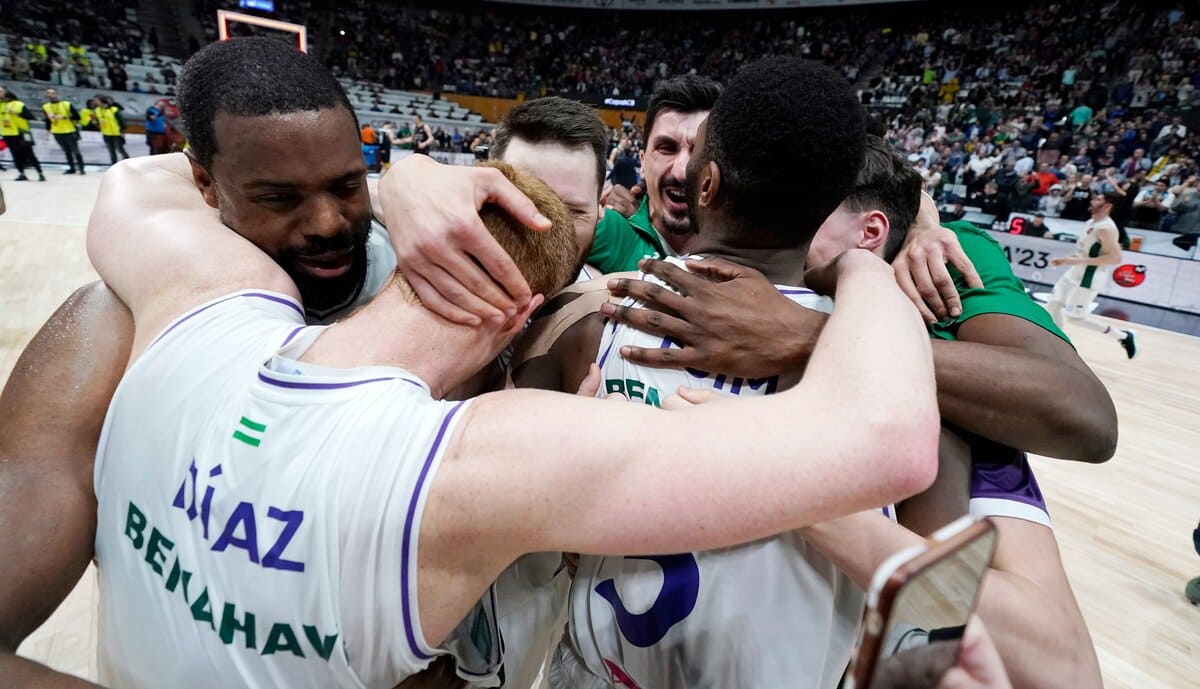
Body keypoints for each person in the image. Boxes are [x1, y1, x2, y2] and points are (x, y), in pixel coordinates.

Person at [84, 55, 940, 689]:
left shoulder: (202, 314)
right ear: (523, 309)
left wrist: (402, 180)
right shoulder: (492, 456)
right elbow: (892, 441)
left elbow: (134, 185)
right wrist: (866, 267)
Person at [0, 37, 552, 687]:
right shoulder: (117, 328)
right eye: (279, 198)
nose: (325, 221)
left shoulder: (439, 292)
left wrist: (404, 177)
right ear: (204, 183)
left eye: (347, 185)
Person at [586, 75, 723, 274]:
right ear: (642, 162)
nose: (682, 171)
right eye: (666, 148)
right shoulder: (606, 231)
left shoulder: (751, 249)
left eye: (701, 151)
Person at [491, 97, 608, 283]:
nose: (548, 230)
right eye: (525, 203)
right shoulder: (436, 292)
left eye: (572, 211)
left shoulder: (613, 304)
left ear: (601, 207)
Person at [1045, 191, 1137, 358]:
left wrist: (1077, 262)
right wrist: (1066, 260)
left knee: (1075, 318)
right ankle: (1057, 347)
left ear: (1107, 205)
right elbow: (1084, 252)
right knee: (1054, 303)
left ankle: (1124, 336)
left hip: (1089, 277)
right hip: (1074, 272)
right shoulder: (1090, 222)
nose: (1093, 201)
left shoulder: (1106, 228)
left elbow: (1115, 257)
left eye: (1098, 199)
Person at [0, 85, 46, 181]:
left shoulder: (18, 104)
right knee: (15, 154)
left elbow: (30, 117)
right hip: (8, 133)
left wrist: (15, 113)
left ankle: (40, 173)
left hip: (22, 133)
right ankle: (22, 173)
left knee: (30, 154)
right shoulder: (1, 105)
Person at [42, 88, 86, 174]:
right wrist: (47, 132)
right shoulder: (45, 107)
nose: (51, 95)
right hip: (57, 132)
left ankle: (81, 168)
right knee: (66, 151)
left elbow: (77, 117)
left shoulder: (66, 104)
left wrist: (64, 117)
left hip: (69, 131)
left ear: (57, 94)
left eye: (53, 93)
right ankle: (71, 168)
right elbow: (48, 121)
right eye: (49, 93)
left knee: (75, 151)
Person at [93, 95, 129, 164]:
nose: (95, 102)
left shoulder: (114, 110)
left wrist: (122, 131)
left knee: (120, 149)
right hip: (106, 133)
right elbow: (98, 122)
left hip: (116, 133)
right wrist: (96, 123)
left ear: (101, 101)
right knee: (111, 151)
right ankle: (113, 164)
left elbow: (121, 121)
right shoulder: (97, 111)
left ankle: (128, 162)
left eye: (96, 100)